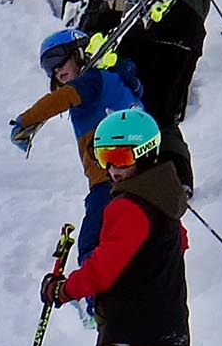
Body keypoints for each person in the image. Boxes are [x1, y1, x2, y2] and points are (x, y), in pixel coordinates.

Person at [40, 106, 191, 346]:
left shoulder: (127, 206)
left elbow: (103, 270)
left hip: (130, 338)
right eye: (104, 156)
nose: (111, 168)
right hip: (168, 336)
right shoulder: (166, 200)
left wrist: (64, 290)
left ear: (146, 154)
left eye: (121, 157)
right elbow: (179, 243)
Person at [77, 0, 215, 192]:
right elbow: (202, 12)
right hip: (186, 35)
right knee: (164, 112)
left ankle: (140, 167)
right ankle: (179, 176)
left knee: (140, 103)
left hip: (147, 27)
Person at [8, 30, 142, 271]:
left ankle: (96, 299)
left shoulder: (93, 80)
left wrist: (26, 121)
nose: (56, 69)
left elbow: (64, 97)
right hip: (132, 175)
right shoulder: (108, 83)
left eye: (59, 59)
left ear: (78, 52)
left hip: (110, 180)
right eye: (49, 67)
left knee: (92, 241)